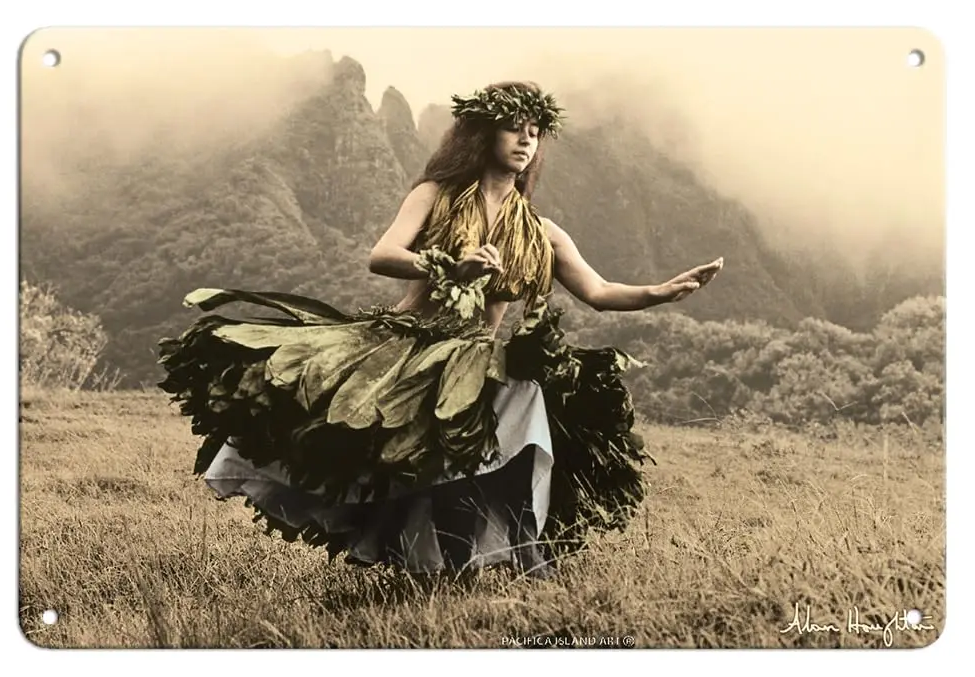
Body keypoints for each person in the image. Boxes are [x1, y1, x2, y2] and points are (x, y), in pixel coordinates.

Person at [157, 80, 722, 582]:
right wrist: (447, 267)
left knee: (517, 423)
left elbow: (599, 293)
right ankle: (472, 567)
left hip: (480, 358)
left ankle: (525, 557)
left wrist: (665, 291)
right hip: (410, 348)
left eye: (533, 133)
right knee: (427, 468)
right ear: (483, 133)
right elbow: (382, 255)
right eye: (512, 128)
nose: (525, 141)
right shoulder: (434, 196)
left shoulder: (542, 233)